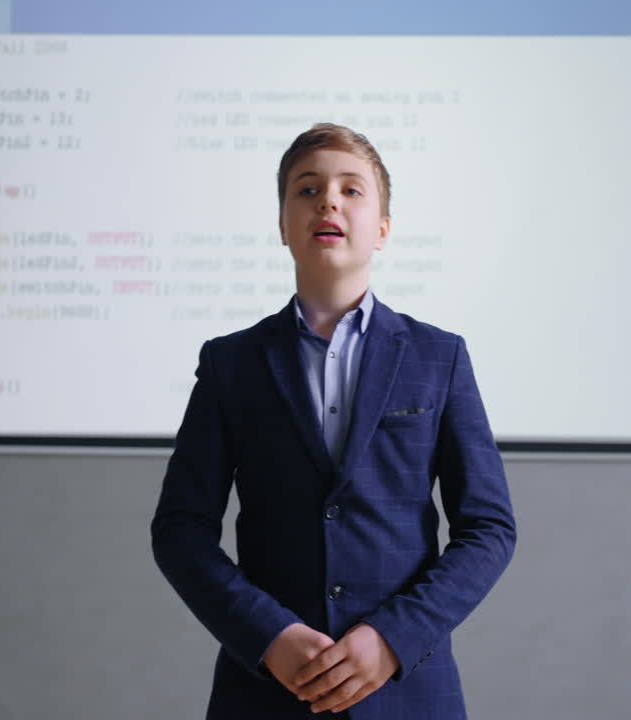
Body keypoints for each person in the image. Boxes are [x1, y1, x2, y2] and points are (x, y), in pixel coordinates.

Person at [151, 123, 515, 719]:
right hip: (266, 692)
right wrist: (268, 636)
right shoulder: (231, 363)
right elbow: (180, 530)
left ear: (383, 230)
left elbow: (489, 529)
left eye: (352, 190)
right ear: (282, 226)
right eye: (307, 189)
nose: (329, 201)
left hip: (407, 692)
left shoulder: (439, 357)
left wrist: (393, 638)